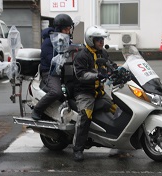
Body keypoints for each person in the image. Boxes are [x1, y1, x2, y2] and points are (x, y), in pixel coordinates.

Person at [72, 25, 118, 161]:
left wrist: (119, 70)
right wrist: (97, 75)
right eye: (99, 40)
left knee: (117, 108)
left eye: (102, 39)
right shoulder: (82, 55)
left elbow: (110, 64)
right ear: (91, 40)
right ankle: (77, 149)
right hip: (85, 93)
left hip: (99, 91)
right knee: (85, 117)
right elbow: (80, 75)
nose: (101, 42)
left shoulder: (103, 53)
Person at [31, 14, 74, 120]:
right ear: (59, 29)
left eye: (69, 29)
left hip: (64, 71)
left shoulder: (65, 40)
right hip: (50, 72)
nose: (68, 32)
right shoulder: (48, 42)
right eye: (66, 29)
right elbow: (52, 61)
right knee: (56, 92)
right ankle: (37, 110)